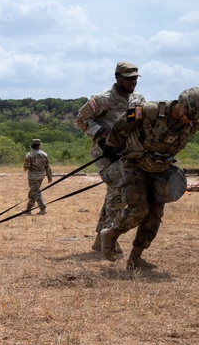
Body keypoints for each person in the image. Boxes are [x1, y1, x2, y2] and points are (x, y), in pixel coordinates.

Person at [99, 88, 199, 270]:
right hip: (135, 165)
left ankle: (135, 258)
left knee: (154, 216)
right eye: (189, 115)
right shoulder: (150, 110)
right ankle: (110, 234)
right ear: (181, 104)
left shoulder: (192, 123)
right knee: (138, 210)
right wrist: (111, 145)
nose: (190, 121)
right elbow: (124, 121)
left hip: (160, 169)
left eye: (195, 119)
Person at [75, 61, 146, 253]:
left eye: (135, 78)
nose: (133, 82)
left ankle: (101, 239)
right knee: (119, 190)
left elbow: (141, 122)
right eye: (128, 78)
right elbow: (81, 119)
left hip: (127, 152)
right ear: (117, 78)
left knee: (113, 193)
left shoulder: (138, 99)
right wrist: (102, 134)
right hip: (105, 153)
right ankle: (110, 239)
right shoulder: (102, 99)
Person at [23, 139, 52, 214]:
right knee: (33, 192)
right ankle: (28, 209)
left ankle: (42, 209)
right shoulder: (44, 154)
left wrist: (26, 168)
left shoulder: (29, 155)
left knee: (36, 193)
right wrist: (49, 177)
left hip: (33, 177)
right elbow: (48, 167)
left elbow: (26, 166)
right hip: (41, 176)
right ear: (39, 145)